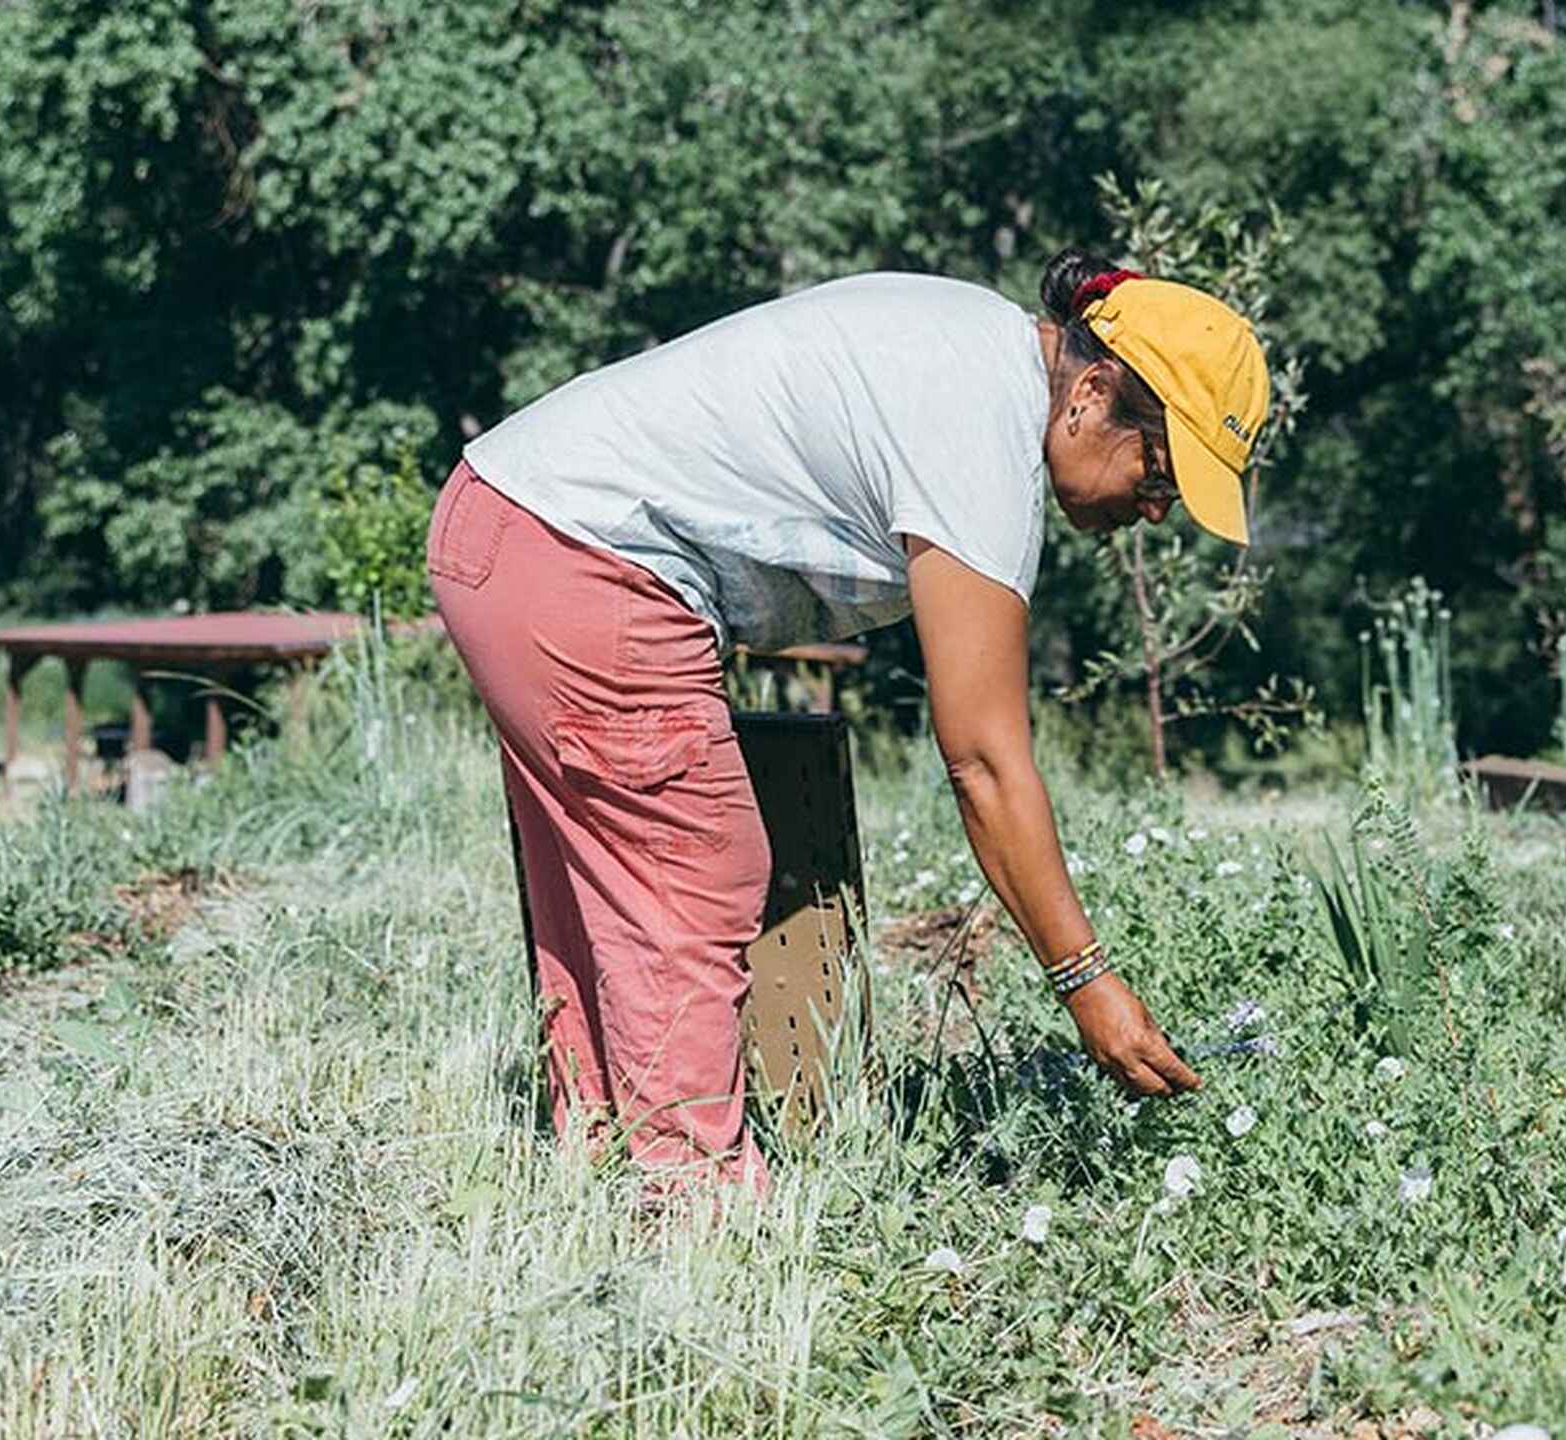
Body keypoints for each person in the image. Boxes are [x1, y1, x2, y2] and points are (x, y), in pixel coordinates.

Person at [426, 248, 1270, 1193]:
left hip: (512, 524)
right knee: (700, 873)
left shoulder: (975, 350)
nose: (1156, 511)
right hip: (577, 557)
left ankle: (604, 1153)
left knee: (614, 886)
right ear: (1093, 394)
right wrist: (1086, 981)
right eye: (1160, 471)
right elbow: (985, 761)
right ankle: (691, 1207)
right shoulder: (978, 431)